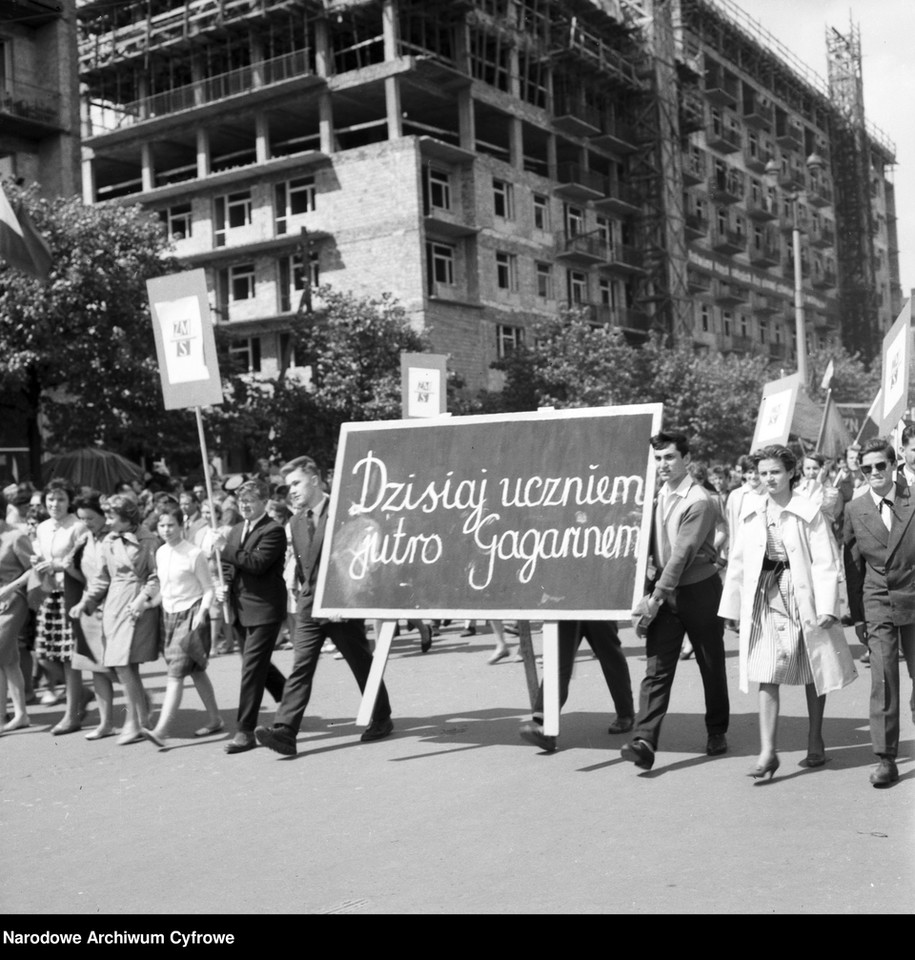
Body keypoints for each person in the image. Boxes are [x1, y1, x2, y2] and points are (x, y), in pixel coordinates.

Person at [719, 445, 856, 781]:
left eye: (776, 472)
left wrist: (827, 606)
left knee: (813, 667)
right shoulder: (752, 510)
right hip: (766, 594)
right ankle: (768, 750)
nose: (769, 479)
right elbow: (739, 560)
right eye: (763, 473)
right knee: (766, 669)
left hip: (801, 593)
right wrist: (733, 607)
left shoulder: (809, 511)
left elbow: (825, 562)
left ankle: (815, 738)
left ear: (791, 472)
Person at [254, 456, 394, 757]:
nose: (291, 490)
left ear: (315, 480)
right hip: (309, 606)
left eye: (296, 483)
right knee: (300, 667)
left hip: (341, 605)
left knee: (361, 664)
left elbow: (358, 557)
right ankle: (285, 732)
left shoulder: (346, 511)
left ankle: (381, 716)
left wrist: (348, 601)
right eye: (288, 485)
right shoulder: (294, 520)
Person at [620, 431, 730, 772]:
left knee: (710, 664)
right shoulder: (655, 498)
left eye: (670, 457)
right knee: (656, 667)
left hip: (698, 590)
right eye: (658, 459)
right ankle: (644, 740)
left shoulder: (699, 500)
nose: (663, 465)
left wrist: (655, 597)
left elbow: (682, 554)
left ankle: (716, 732)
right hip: (665, 591)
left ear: (687, 460)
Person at [843, 436, 915, 787]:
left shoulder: (912, 499)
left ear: (893, 465)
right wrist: (858, 616)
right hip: (878, 602)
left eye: (880, 466)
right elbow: (853, 568)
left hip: (914, 597)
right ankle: (886, 758)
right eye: (866, 467)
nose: (874, 472)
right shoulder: (855, 509)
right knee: (883, 679)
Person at [69, 494, 159, 745]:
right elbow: (101, 577)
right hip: (115, 605)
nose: (107, 522)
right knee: (121, 663)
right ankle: (141, 719)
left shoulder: (148, 539)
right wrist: (85, 601)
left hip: (139, 604)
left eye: (111, 517)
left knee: (126, 663)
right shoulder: (110, 540)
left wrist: (143, 599)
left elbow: (156, 575)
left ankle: (135, 722)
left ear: (127, 517)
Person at [212, 479, 288, 755]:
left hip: (265, 608)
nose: (244, 506)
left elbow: (257, 563)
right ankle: (290, 701)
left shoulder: (274, 530)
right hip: (240, 609)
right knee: (258, 665)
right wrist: (223, 585)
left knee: (252, 670)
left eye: (250, 501)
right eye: (241, 501)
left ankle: (245, 730)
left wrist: (225, 549)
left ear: (264, 502)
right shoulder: (234, 531)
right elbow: (230, 567)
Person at [140, 504, 222, 748]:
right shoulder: (161, 552)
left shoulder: (194, 554)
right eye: (162, 525)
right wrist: (147, 604)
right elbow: (164, 592)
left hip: (192, 615)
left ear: (181, 525)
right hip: (169, 616)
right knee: (196, 670)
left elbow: (208, 590)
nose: (166, 530)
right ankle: (215, 718)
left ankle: (161, 730)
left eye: (171, 525)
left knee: (175, 673)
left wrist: (202, 613)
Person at [518, 620, 634, 752]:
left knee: (611, 659)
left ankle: (625, 714)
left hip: (597, 607)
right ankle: (548, 727)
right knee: (558, 660)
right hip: (566, 607)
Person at [30, 478, 89, 732]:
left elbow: (84, 564)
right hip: (49, 594)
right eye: (51, 499)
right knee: (43, 655)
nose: (55, 504)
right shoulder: (42, 527)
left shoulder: (77, 527)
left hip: (71, 594)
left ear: (69, 501)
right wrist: (39, 562)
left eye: (61, 499)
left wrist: (58, 565)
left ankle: (72, 715)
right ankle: (83, 693)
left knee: (70, 658)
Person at [65, 492, 117, 740]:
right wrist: (68, 566)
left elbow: (111, 578)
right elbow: (83, 576)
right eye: (82, 518)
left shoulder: (113, 538)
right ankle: (106, 723)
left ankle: (139, 709)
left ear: (105, 515)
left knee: (118, 667)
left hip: (111, 606)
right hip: (88, 608)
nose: (86, 522)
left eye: (91, 517)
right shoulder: (85, 540)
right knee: (95, 667)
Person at [0, 490, 35, 733]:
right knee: (9, 660)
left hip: (13, 600)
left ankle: (2, 715)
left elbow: (34, 569)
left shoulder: (15, 536)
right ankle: (20, 714)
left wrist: (9, 588)